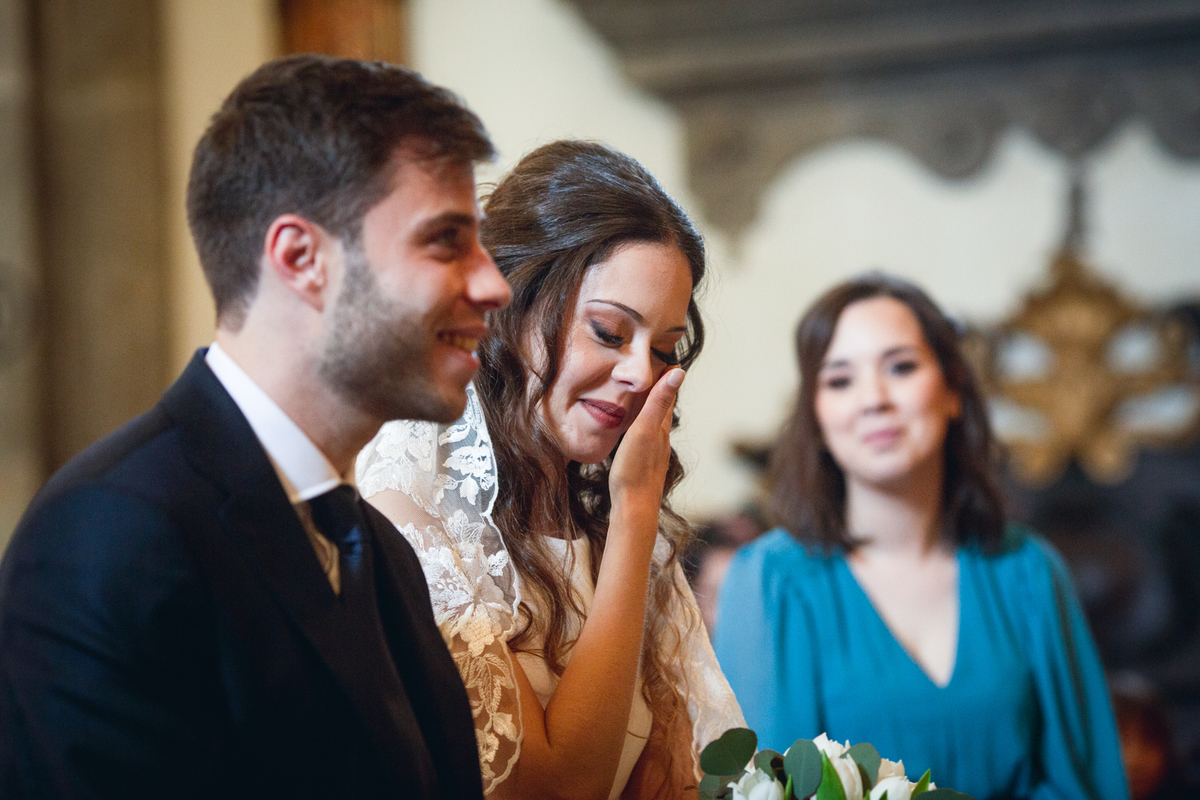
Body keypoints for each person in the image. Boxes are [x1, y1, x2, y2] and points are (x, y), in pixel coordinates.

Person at [0, 54, 511, 799]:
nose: (493, 283)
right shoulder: (112, 534)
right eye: (445, 241)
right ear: (301, 258)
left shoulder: (384, 554)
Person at [357, 140, 744, 800]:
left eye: (663, 349)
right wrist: (635, 516)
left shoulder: (603, 524)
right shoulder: (407, 499)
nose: (639, 374)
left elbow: (675, 779)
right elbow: (556, 788)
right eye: (610, 332)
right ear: (510, 303)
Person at [714, 273, 1129, 800]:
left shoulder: (1029, 570)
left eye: (901, 367)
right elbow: (766, 785)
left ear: (953, 390)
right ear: (816, 418)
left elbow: (1085, 782)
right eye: (840, 380)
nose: (874, 399)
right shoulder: (769, 581)